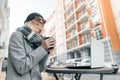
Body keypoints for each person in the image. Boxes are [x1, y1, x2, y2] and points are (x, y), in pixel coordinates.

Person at [5, 12, 56, 80]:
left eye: (43, 21)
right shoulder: (17, 35)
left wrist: (46, 51)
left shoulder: (39, 42)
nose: (41, 22)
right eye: (38, 19)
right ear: (28, 22)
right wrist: (42, 48)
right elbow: (21, 67)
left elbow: (40, 69)